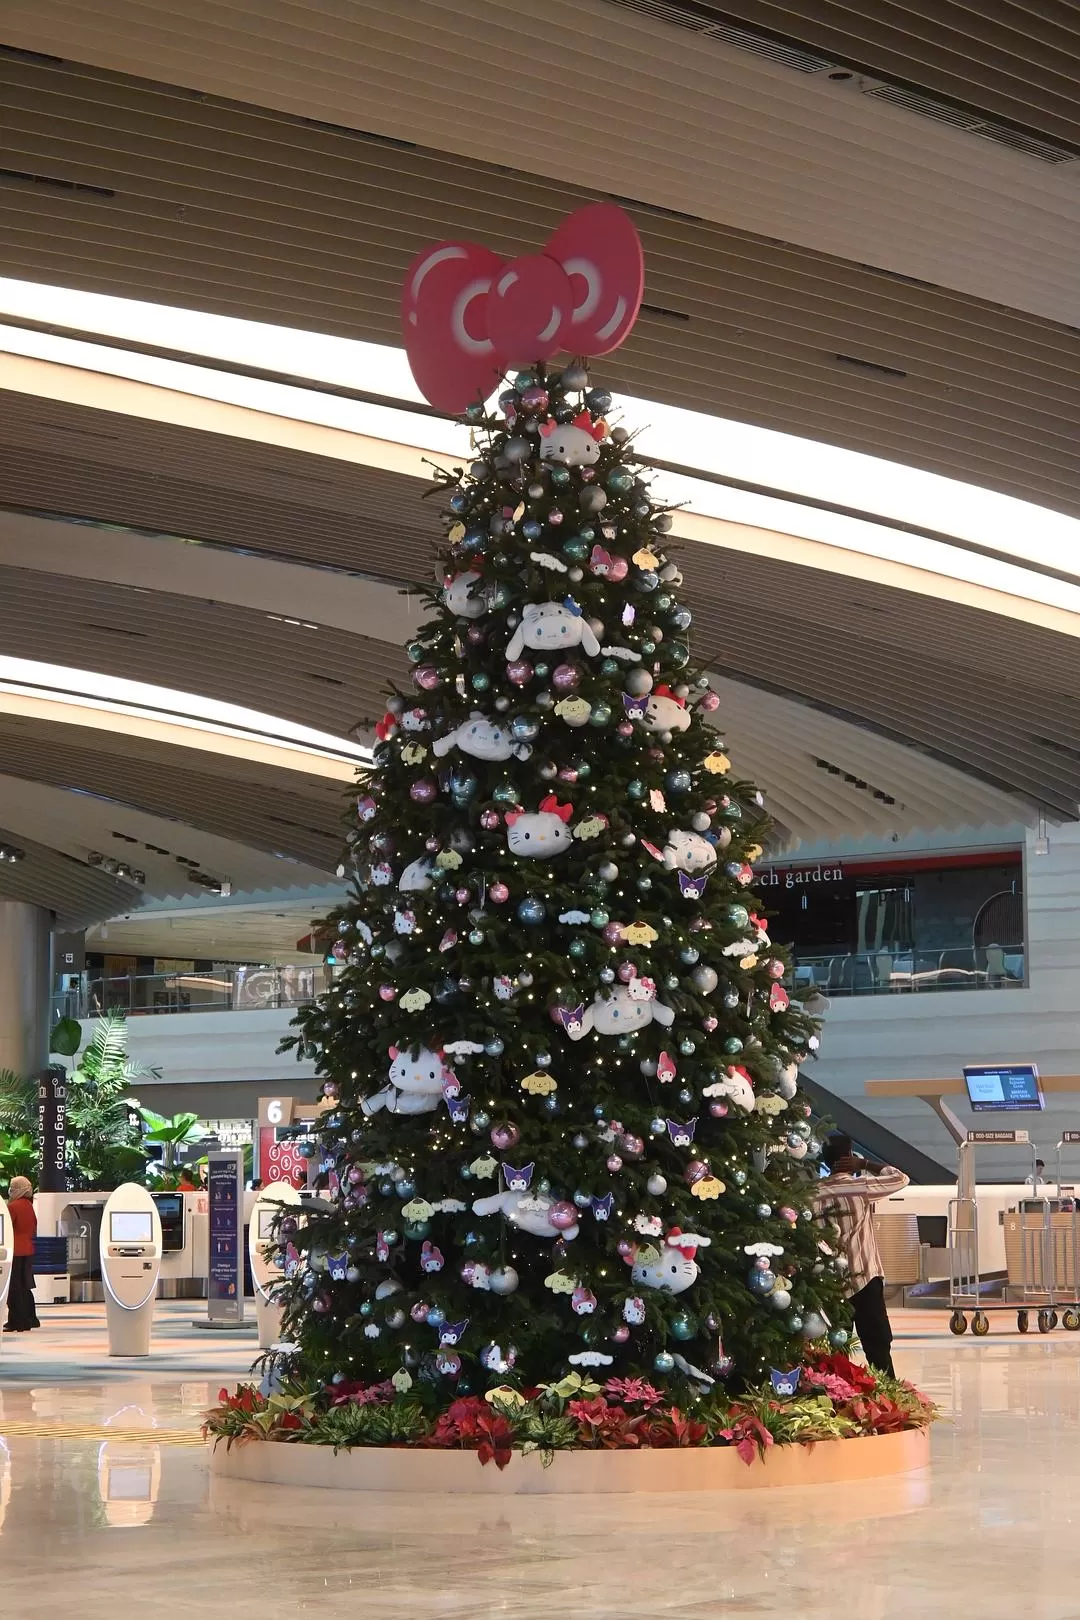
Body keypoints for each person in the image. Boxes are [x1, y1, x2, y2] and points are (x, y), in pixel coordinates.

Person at [817, 1134, 909, 1377]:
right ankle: (887, 1396)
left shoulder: (814, 1194)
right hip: (866, 1278)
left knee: (836, 1348)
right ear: (849, 1157)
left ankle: (837, 1398)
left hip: (831, 1283)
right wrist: (866, 1165)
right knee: (877, 1345)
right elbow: (901, 1178)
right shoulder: (861, 1187)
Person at [5, 1176, 39, 1332]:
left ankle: (16, 1322)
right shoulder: (29, 1205)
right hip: (28, 1249)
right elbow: (33, 1227)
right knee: (25, 1286)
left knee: (14, 1288)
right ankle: (30, 1319)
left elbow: (6, 1228)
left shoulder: (12, 1206)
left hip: (15, 1251)